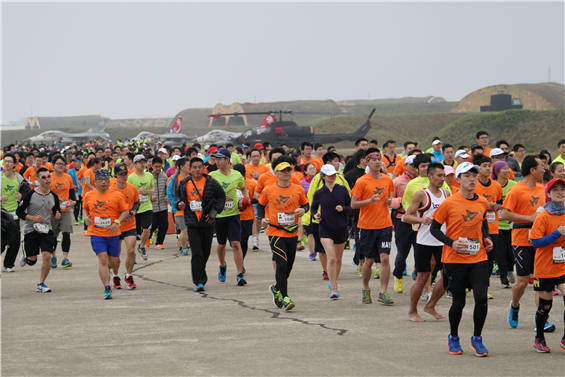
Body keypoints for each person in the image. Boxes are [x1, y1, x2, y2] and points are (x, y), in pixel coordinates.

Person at [431, 162, 493, 357]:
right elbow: (434, 228)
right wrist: (451, 243)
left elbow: (483, 223)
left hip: (478, 257)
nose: (472, 179)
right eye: (466, 176)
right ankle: (454, 337)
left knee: (481, 298)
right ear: (458, 180)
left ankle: (477, 338)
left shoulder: (482, 201)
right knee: (459, 301)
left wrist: (486, 238)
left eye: (474, 175)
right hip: (454, 259)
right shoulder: (449, 203)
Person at [501, 155, 553, 330]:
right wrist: (529, 218)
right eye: (541, 167)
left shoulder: (543, 189)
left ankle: (543, 319)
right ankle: (514, 306)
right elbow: (505, 214)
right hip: (522, 239)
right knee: (522, 282)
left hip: (541, 241)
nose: (544, 170)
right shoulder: (516, 190)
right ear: (532, 170)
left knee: (540, 281)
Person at [259, 158, 309, 311]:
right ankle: (286, 297)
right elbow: (260, 205)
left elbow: (305, 203)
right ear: (277, 173)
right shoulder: (269, 189)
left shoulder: (297, 188)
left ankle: (276, 287)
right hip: (275, 231)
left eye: (289, 170)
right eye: (283, 170)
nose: (287, 173)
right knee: (280, 264)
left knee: (288, 266)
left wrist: (303, 210)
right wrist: (263, 218)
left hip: (292, 231)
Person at [403, 162, 449, 322]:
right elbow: (406, 216)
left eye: (443, 176)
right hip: (425, 241)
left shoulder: (446, 194)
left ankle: (431, 306)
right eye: (439, 176)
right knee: (422, 278)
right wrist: (421, 219)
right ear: (429, 176)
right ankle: (412, 311)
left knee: (448, 277)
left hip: (443, 241)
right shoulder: (422, 195)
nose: (442, 179)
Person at [351, 148, 395, 305]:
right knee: (369, 261)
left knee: (384, 258)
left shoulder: (387, 180)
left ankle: (383, 291)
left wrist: (390, 202)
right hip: (367, 226)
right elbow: (353, 204)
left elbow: (390, 199)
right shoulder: (362, 181)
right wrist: (369, 201)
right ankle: (366, 288)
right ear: (366, 162)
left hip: (385, 225)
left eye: (379, 159)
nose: (377, 162)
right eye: (374, 159)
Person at [177, 157, 226, 291]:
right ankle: (199, 281)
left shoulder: (211, 182)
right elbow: (179, 198)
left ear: (203, 168)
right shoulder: (184, 183)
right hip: (192, 223)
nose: (197, 169)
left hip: (207, 222)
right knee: (196, 252)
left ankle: (200, 270)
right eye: (195, 167)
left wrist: (213, 214)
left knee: (206, 252)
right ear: (190, 169)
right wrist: (179, 204)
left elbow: (222, 197)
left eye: (200, 167)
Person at [529, 177, 565, 352]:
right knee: (545, 306)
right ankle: (539, 338)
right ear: (548, 194)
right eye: (555, 189)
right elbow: (536, 243)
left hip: (563, 266)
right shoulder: (542, 216)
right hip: (545, 267)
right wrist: (557, 233)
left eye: (562, 189)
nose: (560, 192)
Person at [82, 169, 129, 299]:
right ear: (95, 182)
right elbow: (85, 207)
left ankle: (106, 272)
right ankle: (107, 288)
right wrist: (86, 218)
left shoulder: (116, 195)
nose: (103, 182)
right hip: (96, 232)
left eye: (105, 180)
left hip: (113, 233)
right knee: (103, 259)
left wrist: (117, 222)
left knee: (113, 261)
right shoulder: (89, 195)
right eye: (100, 180)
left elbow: (125, 211)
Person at [17, 167, 62, 293]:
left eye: (49, 177)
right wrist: (32, 218)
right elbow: (19, 212)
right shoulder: (30, 195)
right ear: (38, 180)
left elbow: (56, 210)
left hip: (46, 230)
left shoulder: (53, 195)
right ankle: (26, 255)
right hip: (31, 229)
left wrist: (58, 215)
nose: (47, 179)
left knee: (47, 256)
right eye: (44, 177)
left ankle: (41, 283)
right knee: (32, 261)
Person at [209, 148, 249, 286]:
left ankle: (239, 274)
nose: (217, 161)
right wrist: (218, 198)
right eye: (216, 159)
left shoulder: (237, 175)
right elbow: (208, 194)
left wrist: (245, 199)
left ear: (227, 160)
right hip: (219, 215)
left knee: (236, 243)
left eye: (220, 159)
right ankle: (222, 265)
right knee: (221, 244)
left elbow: (243, 188)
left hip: (234, 214)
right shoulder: (212, 175)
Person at [312, 164, 351, 299]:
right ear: (323, 176)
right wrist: (315, 215)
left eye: (334, 174)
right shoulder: (319, 193)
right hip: (325, 227)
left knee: (339, 258)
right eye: (329, 174)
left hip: (341, 227)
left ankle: (333, 280)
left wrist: (343, 209)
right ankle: (334, 287)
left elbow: (351, 207)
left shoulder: (342, 190)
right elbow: (313, 208)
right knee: (332, 257)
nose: (332, 176)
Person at [473, 154, 502, 298]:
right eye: (484, 166)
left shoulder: (496, 185)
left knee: (489, 259)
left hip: (493, 227)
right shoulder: (474, 185)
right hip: (477, 227)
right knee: (475, 257)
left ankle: (485, 287)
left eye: (489, 165)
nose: (488, 168)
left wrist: (496, 206)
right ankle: (469, 283)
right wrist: (485, 205)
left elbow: (500, 203)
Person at [109, 163, 140, 290]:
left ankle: (128, 275)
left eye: (125, 174)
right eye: (120, 174)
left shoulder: (132, 188)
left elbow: (137, 202)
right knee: (116, 254)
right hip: (116, 225)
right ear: (115, 175)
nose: (123, 176)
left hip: (130, 224)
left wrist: (134, 211)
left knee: (131, 250)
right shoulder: (111, 189)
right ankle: (116, 276)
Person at [390, 155, 418, 293]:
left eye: (416, 164)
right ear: (405, 165)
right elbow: (390, 201)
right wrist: (403, 201)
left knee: (420, 251)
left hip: (419, 220)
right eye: (412, 164)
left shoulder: (424, 181)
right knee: (402, 252)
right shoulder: (397, 182)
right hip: (402, 219)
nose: (415, 167)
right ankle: (398, 275)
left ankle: (418, 274)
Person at [0, 153, 30, 272]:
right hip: (2, 212)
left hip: (14, 212)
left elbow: (28, 194)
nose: (6, 163)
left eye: (9, 161)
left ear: (14, 164)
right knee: (1, 242)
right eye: (5, 161)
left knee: (15, 240)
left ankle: (8, 265)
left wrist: (21, 196)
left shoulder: (20, 179)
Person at [49, 155, 77, 269]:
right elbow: (45, 193)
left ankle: (65, 258)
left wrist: (72, 202)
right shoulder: (49, 177)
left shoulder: (68, 177)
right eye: (58, 164)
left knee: (66, 233)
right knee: (53, 235)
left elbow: (71, 194)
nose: (61, 166)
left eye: (63, 164)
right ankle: (53, 257)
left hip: (65, 209)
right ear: (53, 165)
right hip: (52, 210)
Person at [492, 161, 517, 288]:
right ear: (497, 172)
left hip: (511, 224)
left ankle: (510, 270)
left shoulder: (514, 185)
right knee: (501, 253)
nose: (507, 171)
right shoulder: (493, 185)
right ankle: (504, 279)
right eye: (504, 169)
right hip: (497, 225)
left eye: (508, 169)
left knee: (511, 253)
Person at [127, 155, 155, 260]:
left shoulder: (149, 175)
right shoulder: (131, 177)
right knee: (134, 234)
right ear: (134, 164)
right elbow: (128, 193)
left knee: (147, 229)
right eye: (140, 162)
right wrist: (138, 192)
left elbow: (152, 185)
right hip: (135, 208)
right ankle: (131, 252)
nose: (143, 164)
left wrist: (152, 191)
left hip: (147, 207)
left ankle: (142, 246)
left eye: (144, 162)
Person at [167, 158, 191, 256]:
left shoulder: (192, 177)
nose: (190, 167)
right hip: (179, 209)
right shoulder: (173, 179)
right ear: (181, 167)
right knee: (183, 229)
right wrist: (176, 205)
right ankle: (184, 247)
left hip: (192, 208)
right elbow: (169, 194)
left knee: (190, 229)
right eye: (188, 165)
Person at [148, 157, 169, 249]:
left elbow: (168, 188)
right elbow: (143, 191)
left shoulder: (164, 177)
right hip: (151, 206)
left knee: (164, 224)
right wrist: (150, 197)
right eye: (156, 166)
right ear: (152, 166)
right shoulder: (147, 177)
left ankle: (159, 242)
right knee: (152, 225)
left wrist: (167, 195)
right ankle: (147, 239)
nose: (158, 168)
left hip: (163, 205)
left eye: (160, 166)